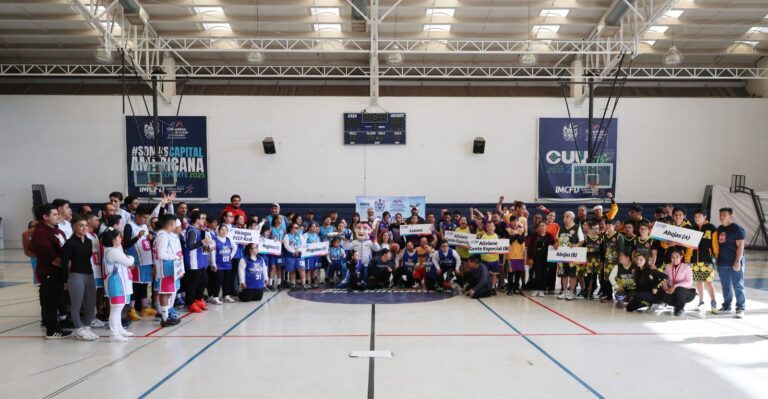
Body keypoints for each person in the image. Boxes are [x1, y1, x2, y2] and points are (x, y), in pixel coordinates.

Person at [31, 204, 70, 339]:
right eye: (54, 214)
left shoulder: (56, 230)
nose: (58, 216)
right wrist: (67, 266)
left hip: (59, 272)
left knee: (57, 299)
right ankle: (51, 330)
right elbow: (50, 256)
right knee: (50, 302)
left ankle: (56, 325)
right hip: (49, 271)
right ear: (45, 217)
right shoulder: (40, 233)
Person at [61, 216, 99, 341]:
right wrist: (65, 280)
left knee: (91, 304)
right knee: (76, 304)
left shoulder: (88, 241)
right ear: (74, 227)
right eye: (80, 225)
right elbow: (64, 263)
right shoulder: (70, 243)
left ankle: (87, 328)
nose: (84, 228)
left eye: (85, 225)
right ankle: (78, 329)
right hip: (76, 275)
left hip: (89, 275)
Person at [101, 229, 135, 342]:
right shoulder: (111, 252)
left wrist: (128, 258)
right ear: (113, 239)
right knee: (116, 309)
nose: (121, 239)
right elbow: (129, 261)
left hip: (121, 282)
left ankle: (119, 328)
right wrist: (131, 258)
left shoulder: (115, 250)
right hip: (116, 283)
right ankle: (114, 333)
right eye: (119, 237)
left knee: (119, 309)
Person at [123, 206, 156, 320]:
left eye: (146, 218)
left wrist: (150, 238)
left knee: (144, 285)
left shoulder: (144, 226)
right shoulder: (129, 226)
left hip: (146, 261)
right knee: (135, 286)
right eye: (143, 218)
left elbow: (146, 242)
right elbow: (125, 244)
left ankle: (144, 307)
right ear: (137, 215)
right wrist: (137, 237)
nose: (145, 220)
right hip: (136, 262)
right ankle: (131, 310)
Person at [715, 207, 747, 318]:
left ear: (731, 215)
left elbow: (740, 247)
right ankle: (727, 306)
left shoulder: (737, 229)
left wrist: (737, 261)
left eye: (724, 214)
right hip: (722, 263)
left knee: (738, 285)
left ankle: (740, 308)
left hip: (735, 263)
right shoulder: (719, 229)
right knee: (726, 286)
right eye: (720, 214)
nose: (722, 216)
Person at [154, 215, 184, 327]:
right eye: (175, 223)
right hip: (165, 269)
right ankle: (165, 318)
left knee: (169, 292)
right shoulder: (162, 236)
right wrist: (175, 256)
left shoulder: (166, 235)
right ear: (171, 223)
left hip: (170, 268)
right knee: (165, 292)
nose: (176, 226)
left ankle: (166, 316)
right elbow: (161, 254)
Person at [691, 209, 718, 313]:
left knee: (708, 282)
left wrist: (716, 258)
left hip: (707, 260)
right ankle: (701, 301)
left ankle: (713, 302)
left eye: (699, 216)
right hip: (695, 260)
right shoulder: (693, 229)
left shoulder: (712, 228)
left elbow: (715, 246)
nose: (697, 218)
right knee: (698, 282)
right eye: (695, 216)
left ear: (705, 216)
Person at [184, 211, 211, 313]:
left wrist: (206, 246)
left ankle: (198, 300)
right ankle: (190, 303)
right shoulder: (192, 231)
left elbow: (200, 246)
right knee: (193, 283)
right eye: (202, 218)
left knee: (204, 280)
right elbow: (190, 246)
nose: (204, 220)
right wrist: (202, 242)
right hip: (193, 261)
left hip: (200, 260)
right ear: (196, 220)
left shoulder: (198, 230)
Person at [659, 249, 696, 316]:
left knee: (679, 290)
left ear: (681, 257)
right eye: (673, 257)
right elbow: (664, 280)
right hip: (672, 292)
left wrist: (675, 286)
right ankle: (677, 303)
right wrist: (666, 289)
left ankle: (679, 309)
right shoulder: (668, 267)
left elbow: (689, 283)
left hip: (686, 292)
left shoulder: (686, 267)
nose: (675, 259)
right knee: (659, 291)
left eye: (677, 257)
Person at [556, 211, 584, 300]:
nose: (565, 218)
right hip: (562, 255)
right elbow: (557, 239)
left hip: (572, 256)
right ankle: (564, 291)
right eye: (564, 216)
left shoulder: (577, 228)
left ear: (572, 218)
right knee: (563, 274)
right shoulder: (561, 228)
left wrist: (576, 245)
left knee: (572, 274)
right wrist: (556, 243)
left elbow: (582, 240)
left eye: (567, 217)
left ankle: (571, 292)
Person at [600, 220, 625, 302]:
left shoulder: (619, 236)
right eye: (606, 225)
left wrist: (618, 263)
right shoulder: (604, 236)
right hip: (607, 262)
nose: (607, 226)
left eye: (610, 225)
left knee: (615, 279)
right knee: (606, 279)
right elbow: (604, 250)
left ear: (614, 226)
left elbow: (621, 251)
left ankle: (620, 296)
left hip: (616, 262)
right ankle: (609, 296)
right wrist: (603, 261)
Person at [210, 224, 236, 303]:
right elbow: (213, 253)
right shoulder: (214, 240)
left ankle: (226, 296)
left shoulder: (228, 239)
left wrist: (231, 255)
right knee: (218, 280)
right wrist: (214, 264)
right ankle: (215, 297)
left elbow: (235, 247)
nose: (224, 231)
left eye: (225, 230)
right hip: (219, 265)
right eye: (222, 230)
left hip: (227, 264)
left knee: (227, 281)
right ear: (218, 230)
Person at [529, 222, 554, 297]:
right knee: (537, 273)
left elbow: (553, 244)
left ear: (546, 227)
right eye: (540, 226)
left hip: (546, 257)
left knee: (544, 274)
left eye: (543, 226)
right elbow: (530, 247)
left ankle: (541, 290)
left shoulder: (549, 236)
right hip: (536, 256)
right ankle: (536, 289)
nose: (542, 227)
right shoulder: (534, 235)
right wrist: (530, 258)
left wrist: (556, 244)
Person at [477, 222, 501, 294]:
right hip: (484, 259)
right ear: (486, 228)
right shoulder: (483, 236)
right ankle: (486, 286)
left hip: (494, 259)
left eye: (491, 226)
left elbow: (501, 247)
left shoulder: (497, 236)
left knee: (494, 274)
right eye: (488, 226)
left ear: (494, 228)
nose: (489, 228)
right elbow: (478, 246)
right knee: (485, 274)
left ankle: (493, 287)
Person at [581, 221, 603, 300]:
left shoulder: (600, 238)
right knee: (588, 277)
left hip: (597, 260)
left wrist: (601, 261)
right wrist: (583, 260)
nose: (596, 230)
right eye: (594, 228)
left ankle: (592, 292)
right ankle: (586, 290)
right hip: (588, 260)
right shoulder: (586, 238)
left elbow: (602, 251)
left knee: (594, 277)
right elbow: (582, 250)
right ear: (590, 229)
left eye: (597, 228)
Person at [283, 222, 307, 290]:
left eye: (298, 227)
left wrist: (298, 250)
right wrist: (293, 251)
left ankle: (303, 284)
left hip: (299, 255)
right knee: (292, 270)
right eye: (296, 227)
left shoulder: (299, 235)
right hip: (290, 255)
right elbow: (286, 245)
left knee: (302, 269)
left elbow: (303, 243)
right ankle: (293, 285)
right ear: (291, 228)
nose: (297, 229)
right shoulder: (287, 236)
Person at [505, 222, 526, 295]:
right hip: (511, 254)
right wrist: (517, 235)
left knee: (518, 272)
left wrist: (515, 236)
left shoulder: (522, 231)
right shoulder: (507, 230)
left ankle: (516, 287)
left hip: (520, 255)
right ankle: (510, 288)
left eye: (516, 223)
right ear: (510, 223)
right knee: (511, 272)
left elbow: (521, 241)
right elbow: (509, 241)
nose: (515, 224)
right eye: (513, 223)